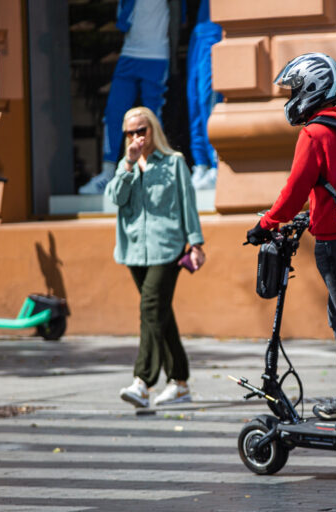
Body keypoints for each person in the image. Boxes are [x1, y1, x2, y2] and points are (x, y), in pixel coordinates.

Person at [245, 53, 336, 434]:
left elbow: (295, 189)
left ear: (313, 89)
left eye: (295, 89)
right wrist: (310, 215)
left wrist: (266, 223)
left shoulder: (314, 133)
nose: (291, 97)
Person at [106, 106, 206, 408]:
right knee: (159, 313)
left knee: (150, 307)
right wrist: (128, 165)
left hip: (167, 247)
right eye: (130, 132)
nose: (136, 136)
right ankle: (180, 382)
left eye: (141, 130)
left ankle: (142, 382)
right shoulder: (127, 166)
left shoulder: (174, 163)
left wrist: (196, 243)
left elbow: (188, 203)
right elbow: (115, 199)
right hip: (135, 249)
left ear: (153, 131)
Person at [80, 0, 178, 194]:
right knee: (114, 113)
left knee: (153, 117)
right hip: (129, 53)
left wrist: (173, 58)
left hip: (156, 54)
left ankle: (160, 169)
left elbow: (176, 15)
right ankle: (107, 172)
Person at [186, 0, 223, 190]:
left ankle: (216, 166)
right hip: (199, 33)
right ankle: (200, 164)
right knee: (193, 100)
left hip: (215, 28)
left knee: (207, 100)